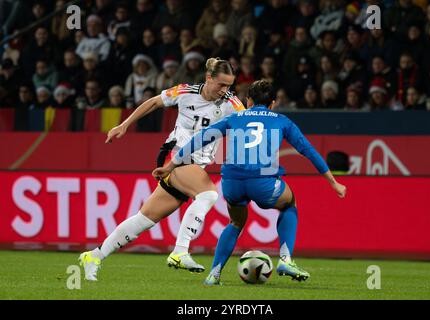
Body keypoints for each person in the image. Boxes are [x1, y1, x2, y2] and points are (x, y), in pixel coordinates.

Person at [153, 80, 347, 285]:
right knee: (290, 204)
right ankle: (285, 260)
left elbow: (200, 139)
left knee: (236, 222)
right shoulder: (282, 120)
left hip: (231, 183)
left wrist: (170, 166)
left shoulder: (235, 117)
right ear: (273, 103)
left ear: (248, 100)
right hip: (263, 182)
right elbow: (308, 151)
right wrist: (333, 182)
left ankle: (214, 274)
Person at [78, 58, 245, 281]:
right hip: (175, 156)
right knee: (208, 194)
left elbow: (248, 124)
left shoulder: (231, 104)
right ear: (209, 78)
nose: (225, 90)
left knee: (144, 219)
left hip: (195, 165)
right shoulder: (186, 91)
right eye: (221, 85)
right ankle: (180, 252)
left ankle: (94, 256)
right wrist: (124, 124)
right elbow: (154, 102)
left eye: (229, 86)